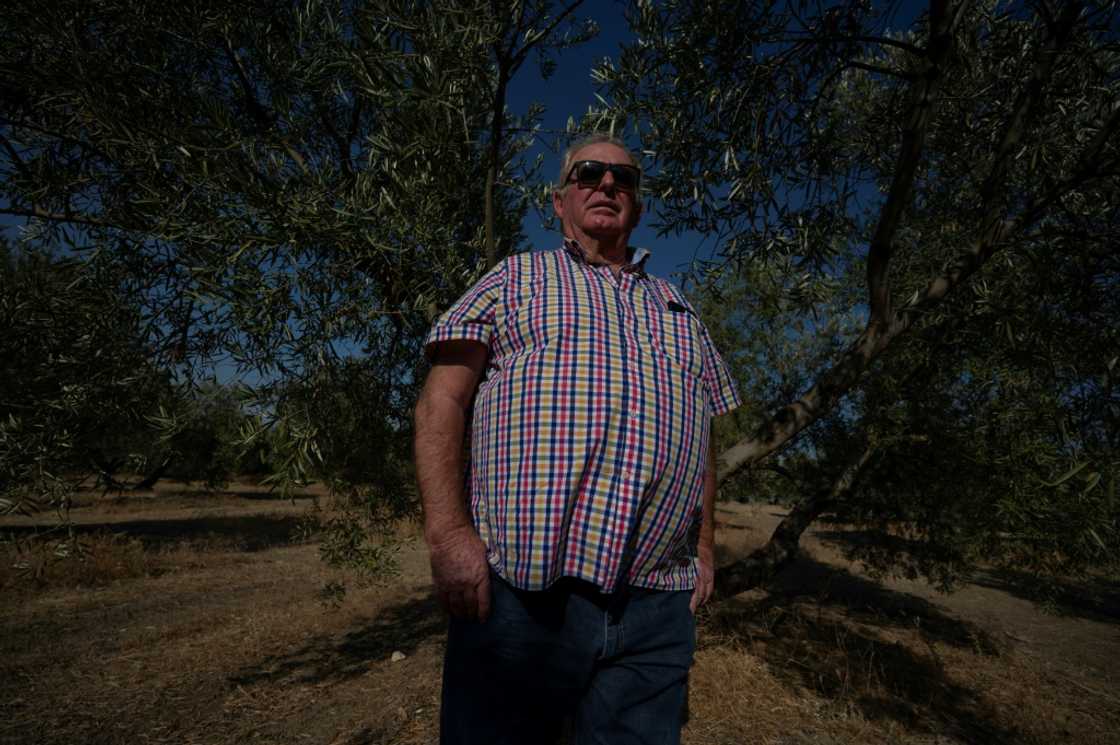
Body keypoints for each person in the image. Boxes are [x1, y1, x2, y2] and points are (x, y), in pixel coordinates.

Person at [413, 133, 740, 744]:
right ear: (560, 201)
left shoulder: (679, 309)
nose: (608, 184)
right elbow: (443, 400)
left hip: (655, 606)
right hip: (523, 597)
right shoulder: (514, 278)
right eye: (589, 173)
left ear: (637, 207)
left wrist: (706, 546)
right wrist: (450, 535)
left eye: (624, 179)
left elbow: (702, 439)